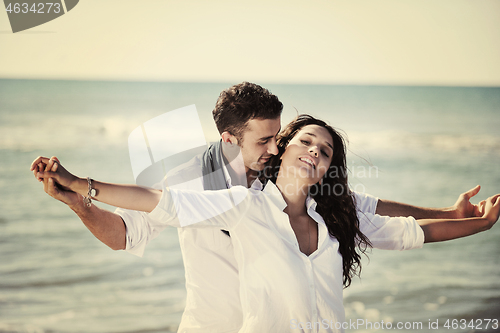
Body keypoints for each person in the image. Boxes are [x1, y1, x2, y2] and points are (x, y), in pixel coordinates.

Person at [32, 83, 486, 333]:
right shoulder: (196, 181)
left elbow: (367, 207)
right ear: (230, 140)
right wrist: (81, 197)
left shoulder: (283, 175)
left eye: (279, 136)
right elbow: (127, 233)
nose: (279, 144)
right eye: (266, 139)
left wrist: (453, 212)